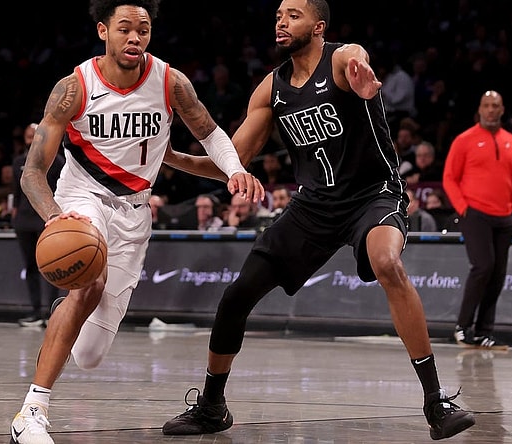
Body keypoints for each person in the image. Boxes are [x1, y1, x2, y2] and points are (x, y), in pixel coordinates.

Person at [162, 0, 474, 440]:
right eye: (277, 16)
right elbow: (232, 161)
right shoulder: (270, 89)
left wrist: (364, 82)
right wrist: (171, 157)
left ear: (319, 26)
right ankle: (212, 406)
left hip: (373, 196)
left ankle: (436, 401)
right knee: (236, 296)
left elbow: (357, 59)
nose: (281, 23)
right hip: (314, 206)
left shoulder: (343, 58)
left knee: (387, 263)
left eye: (293, 14)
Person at [7, 1, 262, 443]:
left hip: (135, 212)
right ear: (103, 31)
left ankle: (65, 312)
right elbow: (32, 171)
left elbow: (210, 132)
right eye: (125, 29)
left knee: (89, 355)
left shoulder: (169, 81)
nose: (135, 38)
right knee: (90, 282)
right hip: (81, 199)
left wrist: (234, 168)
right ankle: (31, 412)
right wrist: (54, 216)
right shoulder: (74, 86)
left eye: (143, 29)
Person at [442, 90, 512, 349]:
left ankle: (485, 330)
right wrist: (463, 208)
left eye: (495, 106)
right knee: (483, 266)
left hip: (505, 217)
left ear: (502, 110)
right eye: (486, 105)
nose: (490, 110)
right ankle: (463, 326)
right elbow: (449, 178)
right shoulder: (464, 140)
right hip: (475, 214)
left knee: (498, 274)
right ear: (479, 109)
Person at [12, 122, 65, 328]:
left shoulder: (58, 161)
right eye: (27, 135)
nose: (30, 139)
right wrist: (15, 214)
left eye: (34, 135)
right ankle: (35, 311)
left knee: (53, 266)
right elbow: (16, 193)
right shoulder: (18, 162)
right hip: (24, 220)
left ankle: (50, 312)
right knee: (30, 267)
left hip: (46, 218)